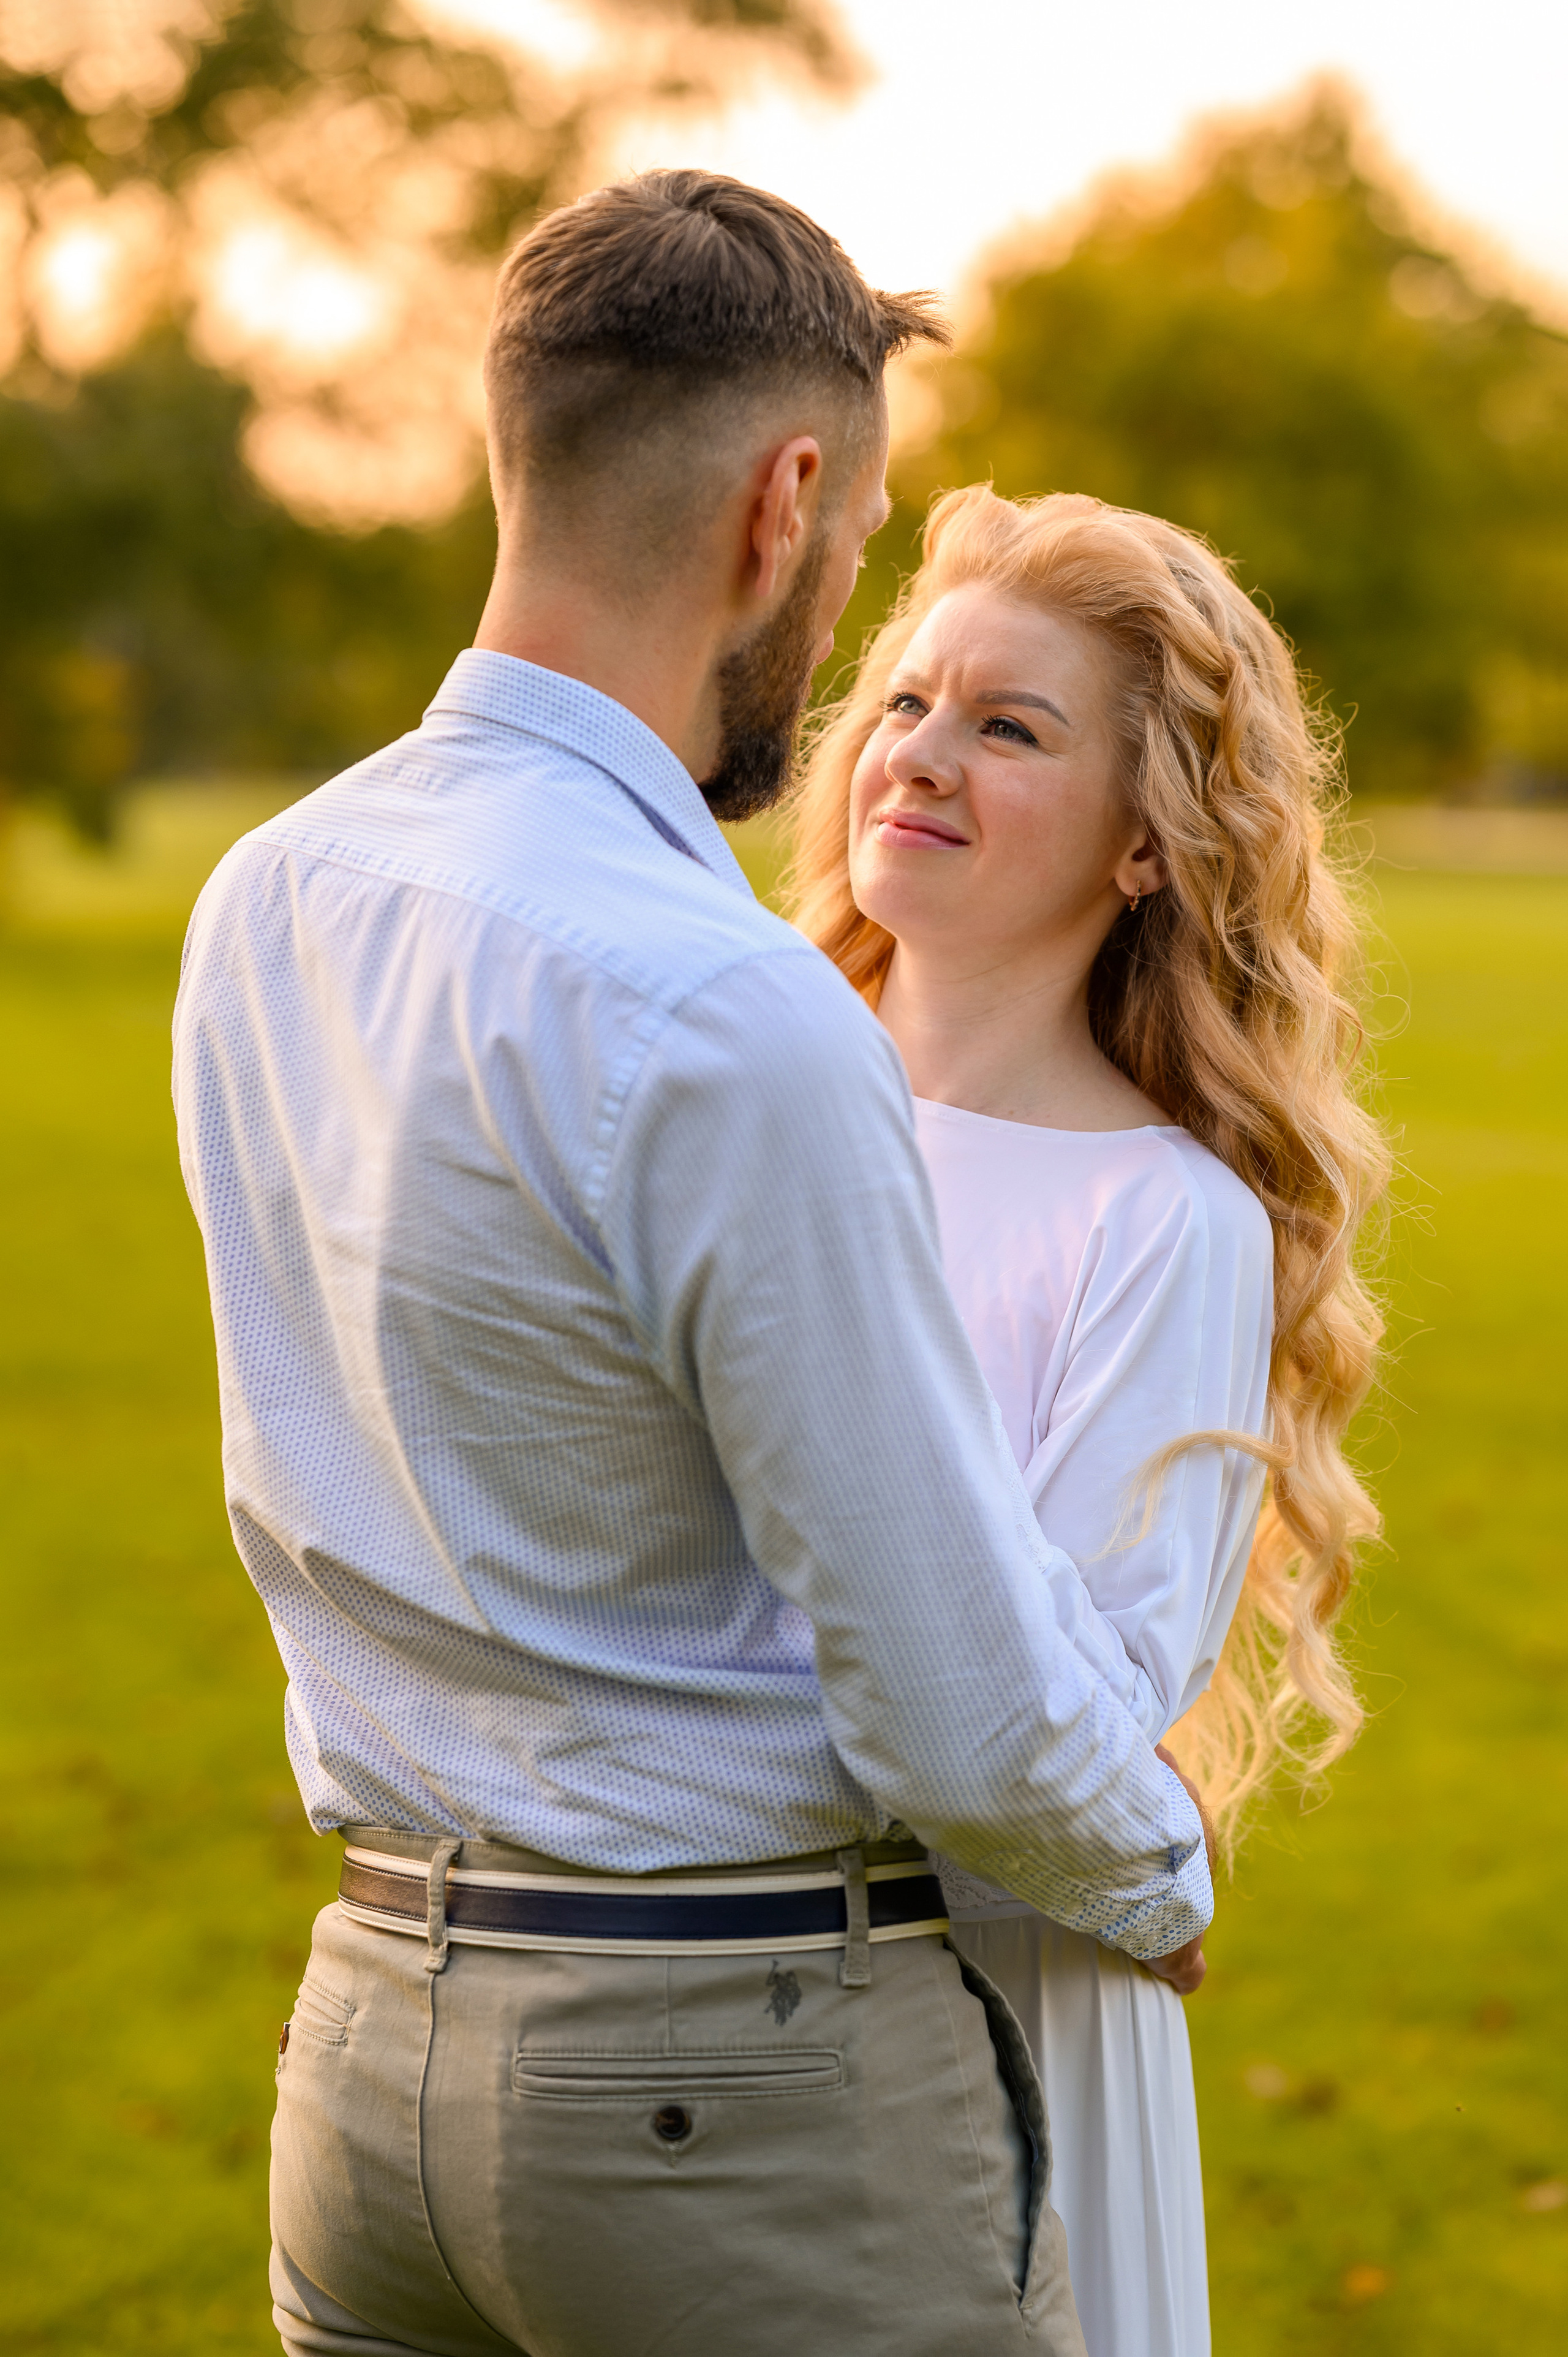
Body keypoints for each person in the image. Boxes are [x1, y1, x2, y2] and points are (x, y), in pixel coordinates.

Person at [172, 176, 1216, 2357]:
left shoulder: (271, 896)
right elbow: (951, 1685)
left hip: (365, 2061)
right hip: (726, 2098)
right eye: (862, 556)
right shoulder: (730, 1011)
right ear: (786, 504)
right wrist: (1150, 1866)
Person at [792, 484, 1391, 2356]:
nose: (923, 755)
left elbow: (1066, 1715)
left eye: (1011, 727)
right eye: (907, 701)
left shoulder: (1160, 1221)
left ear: (1147, 844)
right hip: (677, 2015)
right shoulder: (733, 1109)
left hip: (990, 2010)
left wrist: (1128, 1849)